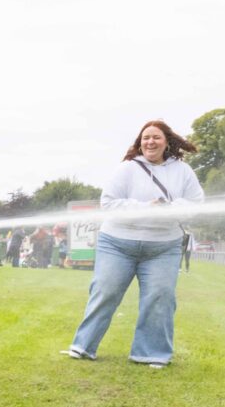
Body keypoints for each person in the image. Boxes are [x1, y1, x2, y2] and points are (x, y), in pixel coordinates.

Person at [66, 120, 204, 366]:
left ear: (167, 142)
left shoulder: (183, 171)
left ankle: (151, 353)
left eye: (156, 137)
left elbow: (195, 203)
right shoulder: (127, 169)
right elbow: (108, 203)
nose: (150, 141)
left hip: (163, 247)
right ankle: (83, 346)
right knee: (105, 291)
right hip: (117, 243)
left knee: (160, 297)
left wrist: (170, 209)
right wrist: (146, 208)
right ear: (140, 143)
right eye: (145, 137)